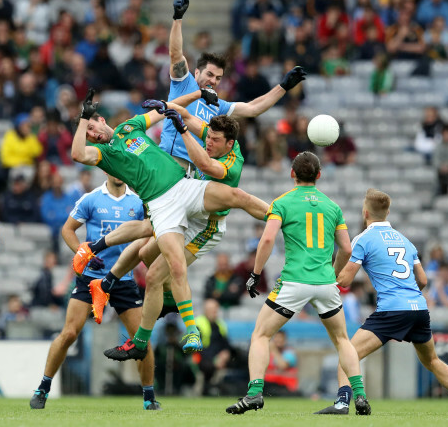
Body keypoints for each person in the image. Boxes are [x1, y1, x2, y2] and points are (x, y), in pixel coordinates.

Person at [71, 90, 267, 359]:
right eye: (88, 133)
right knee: (154, 264)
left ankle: (282, 217)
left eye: (92, 127)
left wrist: (177, 105)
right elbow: (78, 153)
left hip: (188, 196)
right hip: (162, 204)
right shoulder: (104, 153)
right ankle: (163, 330)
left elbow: (171, 120)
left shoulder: (131, 126)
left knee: (235, 197)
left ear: (103, 120)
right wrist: (84, 119)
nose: (93, 134)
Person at [226, 152, 370, 415]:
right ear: (319, 175)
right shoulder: (332, 206)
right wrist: (334, 274)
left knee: (261, 334)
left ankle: (255, 393)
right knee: (341, 339)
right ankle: (360, 396)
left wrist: (255, 274)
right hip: (325, 283)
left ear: (292, 173)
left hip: (293, 281)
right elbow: (347, 249)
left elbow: (267, 240)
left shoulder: (281, 203)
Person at [314, 188, 448, 415]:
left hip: (391, 310)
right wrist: (409, 294)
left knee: (348, 353)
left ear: (365, 213)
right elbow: (422, 279)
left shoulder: (363, 239)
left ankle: (342, 402)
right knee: (432, 360)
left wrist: (327, 277)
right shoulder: (406, 241)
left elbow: (346, 281)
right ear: (388, 212)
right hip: (419, 308)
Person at [29, 173, 162, 410]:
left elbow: (149, 233)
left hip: (123, 279)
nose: (118, 172)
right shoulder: (91, 199)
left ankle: (149, 398)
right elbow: (68, 230)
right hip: (90, 278)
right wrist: (83, 252)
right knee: (69, 333)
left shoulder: (138, 202)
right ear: (107, 169)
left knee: (142, 341)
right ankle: (43, 389)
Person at [164, 0, 306, 172]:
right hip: (170, 162)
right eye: (209, 74)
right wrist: (177, 19)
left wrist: (282, 87)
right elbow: (175, 54)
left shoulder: (217, 105)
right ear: (197, 72)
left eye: (217, 78)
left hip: (196, 172)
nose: (213, 81)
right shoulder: (184, 83)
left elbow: (253, 108)